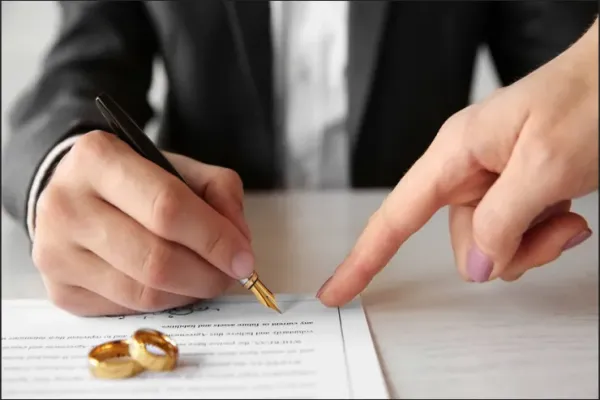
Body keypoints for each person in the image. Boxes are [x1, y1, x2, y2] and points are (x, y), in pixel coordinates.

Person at [1, 1, 597, 316]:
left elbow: (562, 61)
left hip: (422, 285)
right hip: (189, 271)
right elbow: (77, 72)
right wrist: (59, 167)